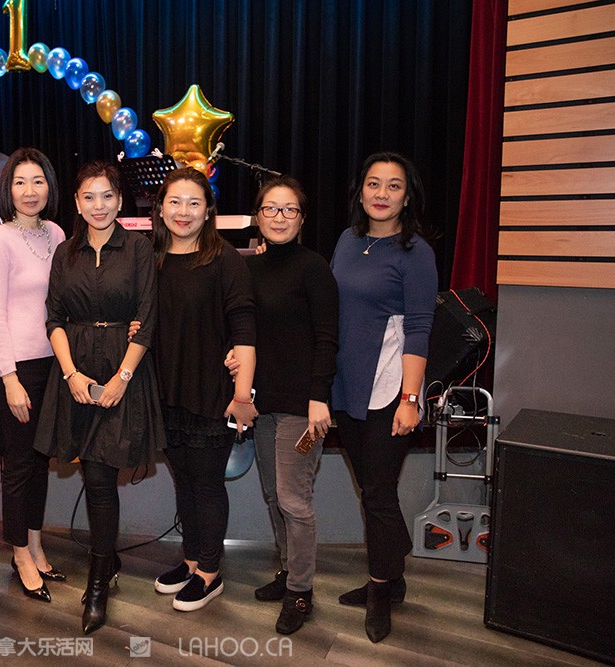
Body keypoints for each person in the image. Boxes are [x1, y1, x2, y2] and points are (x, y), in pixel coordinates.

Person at [34, 161, 165, 633]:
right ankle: (105, 564)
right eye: (89, 196)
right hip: (74, 372)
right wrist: (71, 374)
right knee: (93, 476)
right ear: (76, 202)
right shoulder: (64, 253)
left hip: (123, 371)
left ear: (120, 200)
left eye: (107, 195)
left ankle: (97, 582)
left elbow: (147, 318)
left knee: (103, 479)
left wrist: (122, 379)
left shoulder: (138, 248)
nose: (99, 205)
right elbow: (53, 317)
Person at [331, 152, 437, 643]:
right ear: (360, 191)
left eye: (394, 186)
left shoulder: (416, 252)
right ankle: (393, 577)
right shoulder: (347, 241)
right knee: (374, 490)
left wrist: (410, 399)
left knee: (376, 493)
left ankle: (379, 588)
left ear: (407, 197)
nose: (381, 193)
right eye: (373, 183)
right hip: (345, 385)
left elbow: (420, 327)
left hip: (389, 388)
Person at [151, 167, 257, 612]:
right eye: (175, 201)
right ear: (160, 209)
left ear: (208, 211)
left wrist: (242, 396)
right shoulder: (152, 257)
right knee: (184, 480)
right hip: (165, 390)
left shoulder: (224, 259)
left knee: (208, 482)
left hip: (212, 391)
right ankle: (192, 559)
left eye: (194, 203)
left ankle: (210, 573)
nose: (184, 211)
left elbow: (244, 330)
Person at [237, 176, 339, 634]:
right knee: (272, 496)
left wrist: (319, 397)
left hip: (303, 407)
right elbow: (245, 332)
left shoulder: (314, 268)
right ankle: (287, 570)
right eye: (270, 209)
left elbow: (327, 338)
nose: (279, 217)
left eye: (289, 209)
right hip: (262, 404)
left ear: (301, 218)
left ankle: (301, 591)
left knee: (294, 501)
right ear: (257, 216)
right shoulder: (249, 269)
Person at [0, 147, 67, 602]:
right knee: (18, 467)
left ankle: (35, 544)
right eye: (19, 182)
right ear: (7, 189)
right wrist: (9, 377)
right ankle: (19, 554)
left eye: (38, 181)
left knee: (40, 463)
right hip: (19, 369)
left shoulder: (56, 233)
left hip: (56, 365)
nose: (30, 191)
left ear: (49, 186)